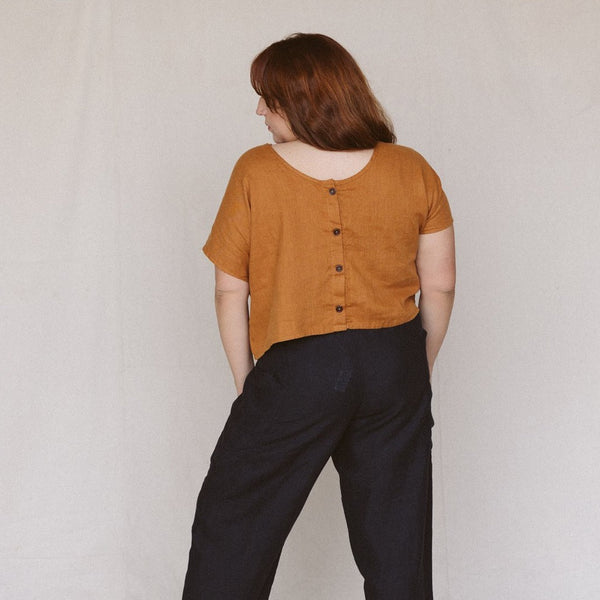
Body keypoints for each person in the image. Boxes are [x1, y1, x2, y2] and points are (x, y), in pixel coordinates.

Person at [182, 33, 455, 600]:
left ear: (304, 99)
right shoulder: (412, 168)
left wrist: (248, 383)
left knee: (234, 524)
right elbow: (442, 284)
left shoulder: (256, 170)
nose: (259, 110)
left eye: (269, 98)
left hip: (297, 367)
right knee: (397, 542)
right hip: (395, 362)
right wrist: (414, 367)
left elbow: (229, 291)